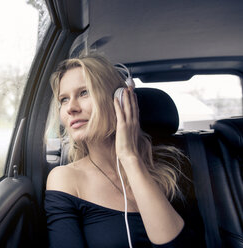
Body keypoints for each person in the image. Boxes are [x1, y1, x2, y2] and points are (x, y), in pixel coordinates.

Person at [44, 54, 203, 247]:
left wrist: (129, 157)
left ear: (120, 98)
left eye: (84, 92)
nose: (71, 108)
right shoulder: (64, 178)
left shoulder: (172, 167)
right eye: (64, 99)